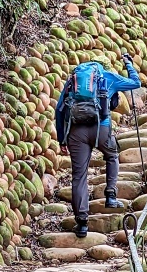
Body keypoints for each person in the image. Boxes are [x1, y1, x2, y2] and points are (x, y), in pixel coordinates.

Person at [55, 54, 141, 238]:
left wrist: (62, 139)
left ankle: (82, 223)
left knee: (79, 176)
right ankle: (110, 195)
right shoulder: (108, 77)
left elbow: (59, 109)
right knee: (112, 156)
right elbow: (136, 83)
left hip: (76, 133)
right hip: (101, 128)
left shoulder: (73, 81)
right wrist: (129, 64)